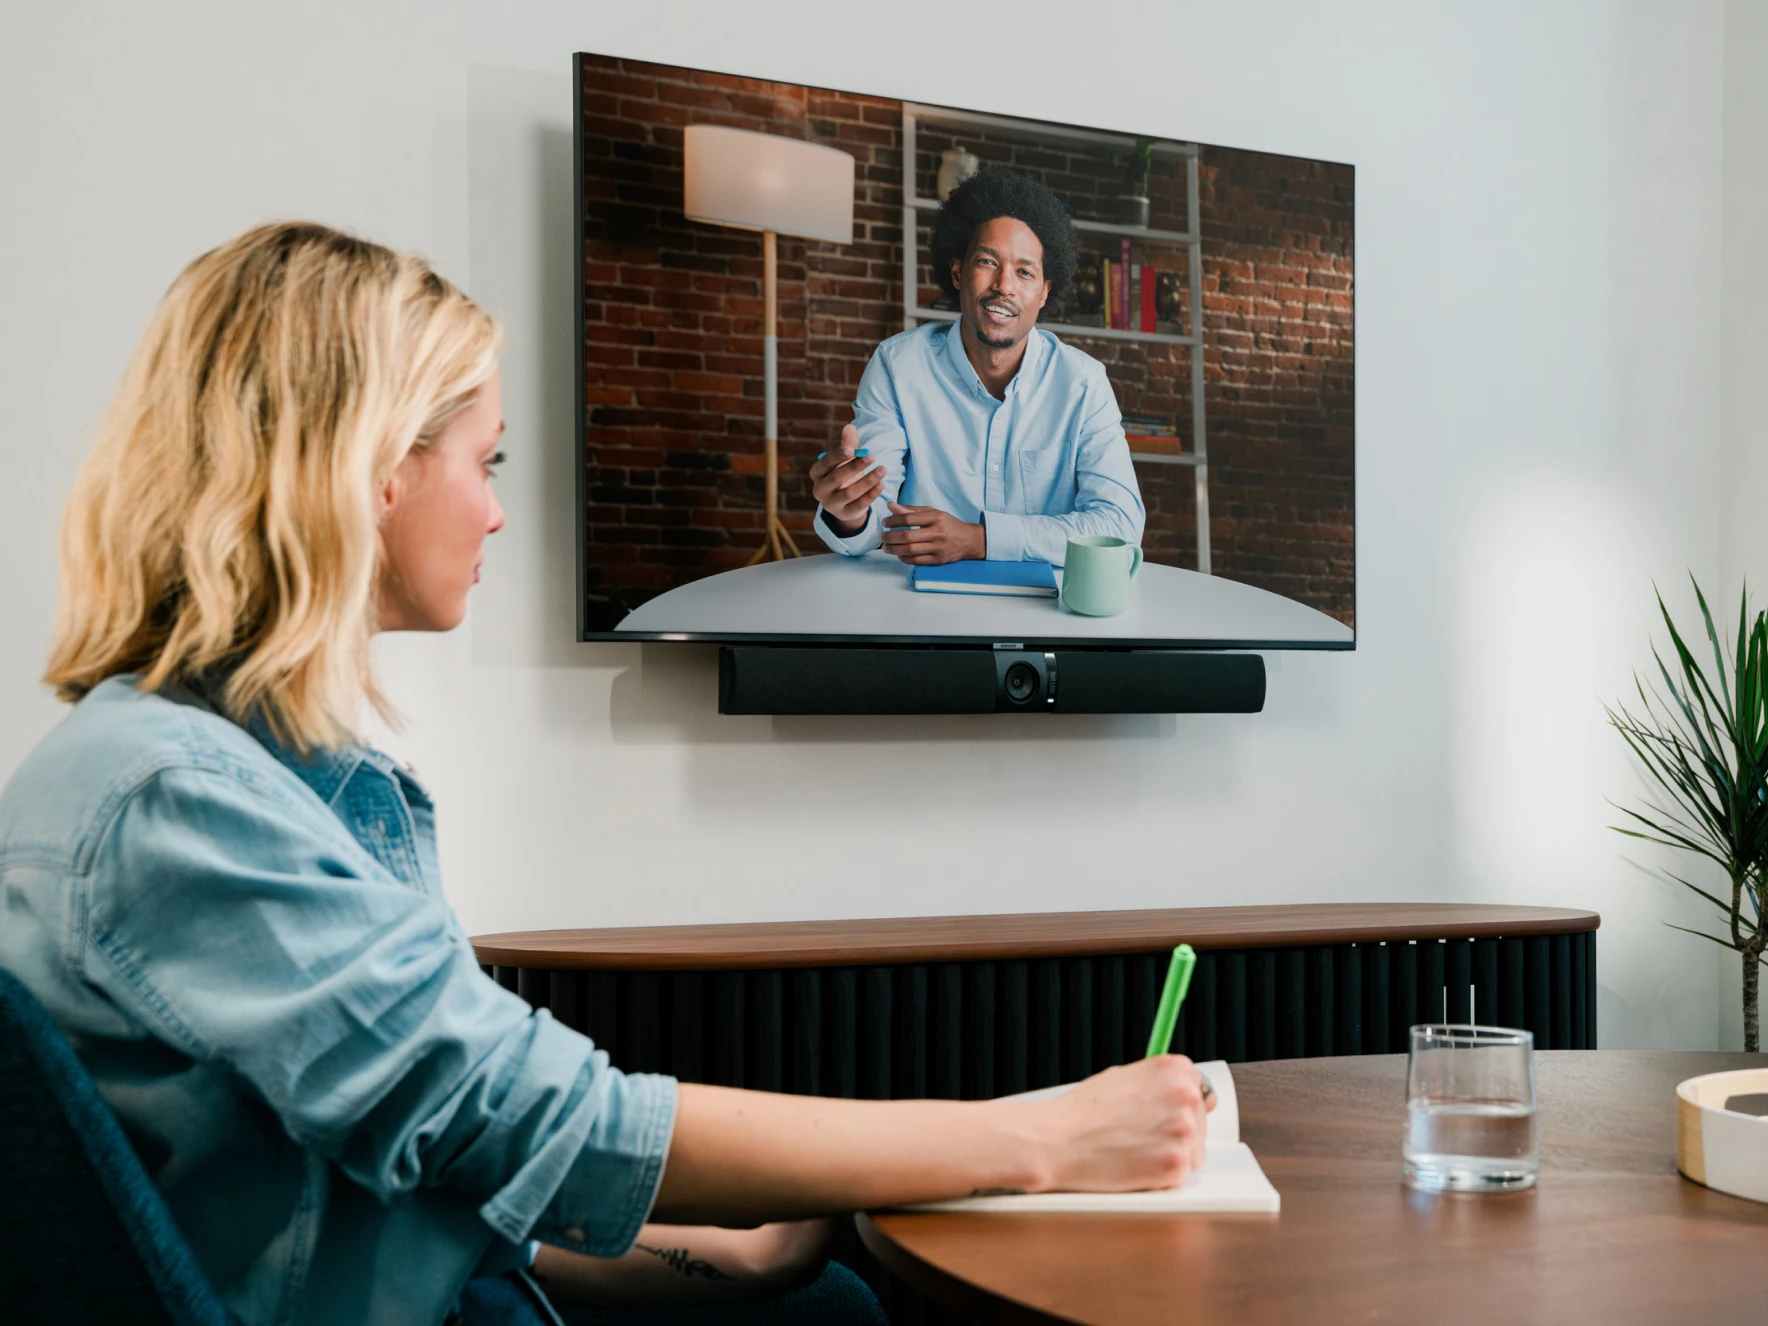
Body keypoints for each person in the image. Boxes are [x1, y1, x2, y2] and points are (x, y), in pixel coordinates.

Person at [0, 223, 1210, 1326]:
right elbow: (534, 1115)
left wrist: (725, 1255)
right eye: (486, 461)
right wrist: (1037, 1137)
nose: (495, 513)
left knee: (820, 1306)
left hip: (466, 1291)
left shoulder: (264, 773)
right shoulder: (172, 804)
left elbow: (432, 1182)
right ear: (367, 469)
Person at [810, 168, 1145, 568]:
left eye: (1025, 272)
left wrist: (979, 540)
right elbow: (878, 515)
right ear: (957, 272)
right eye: (987, 261)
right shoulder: (899, 366)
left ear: (1044, 293)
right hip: (921, 610)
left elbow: (1119, 526)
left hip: (1047, 613)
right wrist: (850, 512)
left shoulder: (1084, 384)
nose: (1004, 285)